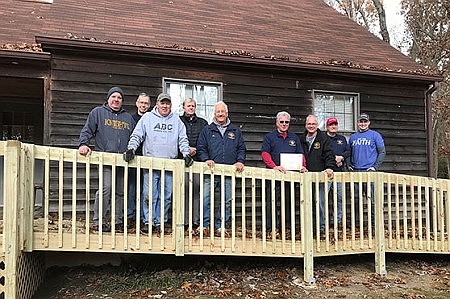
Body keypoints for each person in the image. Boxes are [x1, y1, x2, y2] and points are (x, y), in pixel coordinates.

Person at [124, 93, 193, 234]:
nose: (165, 106)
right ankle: (148, 222)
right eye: (162, 103)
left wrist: (186, 153)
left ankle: (160, 221)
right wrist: (131, 149)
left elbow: (183, 139)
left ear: (171, 105)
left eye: (167, 103)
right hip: (151, 163)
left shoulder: (177, 121)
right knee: (150, 194)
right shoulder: (147, 118)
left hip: (169, 165)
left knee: (166, 195)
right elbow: (137, 135)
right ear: (157, 104)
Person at [78, 86, 135, 232]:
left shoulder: (128, 118)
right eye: (114, 97)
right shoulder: (98, 113)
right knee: (106, 188)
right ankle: (99, 221)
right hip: (105, 159)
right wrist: (84, 144)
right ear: (108, 98)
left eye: (119, 98)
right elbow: (87, 130)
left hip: (123, 161)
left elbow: (135, 138)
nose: (116, 100)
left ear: (122, 101)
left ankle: (117, 221)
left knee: (120, 192)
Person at [197, 101, 246, 235]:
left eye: (222, 112)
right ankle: (204, 225)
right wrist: (206, 159)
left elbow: (241, 148)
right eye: (218, 112)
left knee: (227, 201)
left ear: (227, 113)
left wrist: (240, 161)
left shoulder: (235, 130)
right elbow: (201, 148)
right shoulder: (207, 130)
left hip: (229, 172)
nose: (220, 114)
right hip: (210, 171)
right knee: (206, 199)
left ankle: (221, 226)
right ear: (214, 113)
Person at [261, 111, 306, 238]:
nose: (284, 124)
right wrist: (274, 166)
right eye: (282, 122)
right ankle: (271, 229)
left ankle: (286, 229)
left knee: (288, 202)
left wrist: (302, 166)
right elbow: (265, 154)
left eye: (286, 122)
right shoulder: (270, 137)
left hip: (289, 177)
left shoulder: (294, 138)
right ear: (277, 123)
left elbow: (300, 154)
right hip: (273, 175)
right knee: (271, 203)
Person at [347, 113, 386, 227]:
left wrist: (375, 167)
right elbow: (348, 153)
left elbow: (382, 152)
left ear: (369, 122)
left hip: (370, 172)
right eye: (361, 122)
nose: (363, 124)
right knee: (355, 200)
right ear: (358, 123)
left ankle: (375, 224)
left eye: (365, 122)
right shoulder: (353, 137)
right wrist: (349, 165)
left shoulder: (375, 135)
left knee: (373, 200)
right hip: (356, 172)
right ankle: (356, 224)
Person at [299, 115, 335, 234]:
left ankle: (321, 229)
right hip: (305, 177)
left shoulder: (324, 138)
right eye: (309, 124)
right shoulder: (301, 139)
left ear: (317, 125)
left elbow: (329, 154)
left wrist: (329, 167)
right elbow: (298, 155)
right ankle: (308, 229)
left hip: (320, 177)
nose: (311, 126)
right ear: (306, 125)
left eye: (313, 124)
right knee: (306, 203)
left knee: (320, 203)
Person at [179, 98, 208, 230]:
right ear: (183, 108)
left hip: (197, 161)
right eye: (188, 106)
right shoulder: (178, 121)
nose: (191, 108)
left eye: (193, 106)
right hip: (182, 161)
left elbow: (205, 141)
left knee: (196, 190)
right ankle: (184, 221)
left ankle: (195, 221)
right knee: (184, 190)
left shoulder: (203, 123)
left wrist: (196, 149)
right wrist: (185, 150)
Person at [127, 93, 150, 224]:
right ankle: (130, 215)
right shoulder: (131, 119)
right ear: (137, 103)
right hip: (133, 157)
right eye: (141, 103)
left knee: (145, 189)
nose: (143, 105)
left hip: (146, 157)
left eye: (146, 103)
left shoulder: (151, 119)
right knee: (131, 187)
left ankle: (142, 216)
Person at [325, 117, 348, 227]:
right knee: (323, 199)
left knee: (339, 198)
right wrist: (334, 159)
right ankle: (323, 223)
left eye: (335, 125)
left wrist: (342, 158)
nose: (333, 127)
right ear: (327, 127)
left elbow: (348, 151)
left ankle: (336, 222)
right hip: (326, 173)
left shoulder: (342, 139)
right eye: (331, 125)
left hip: (339, 173)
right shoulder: (323, 138)